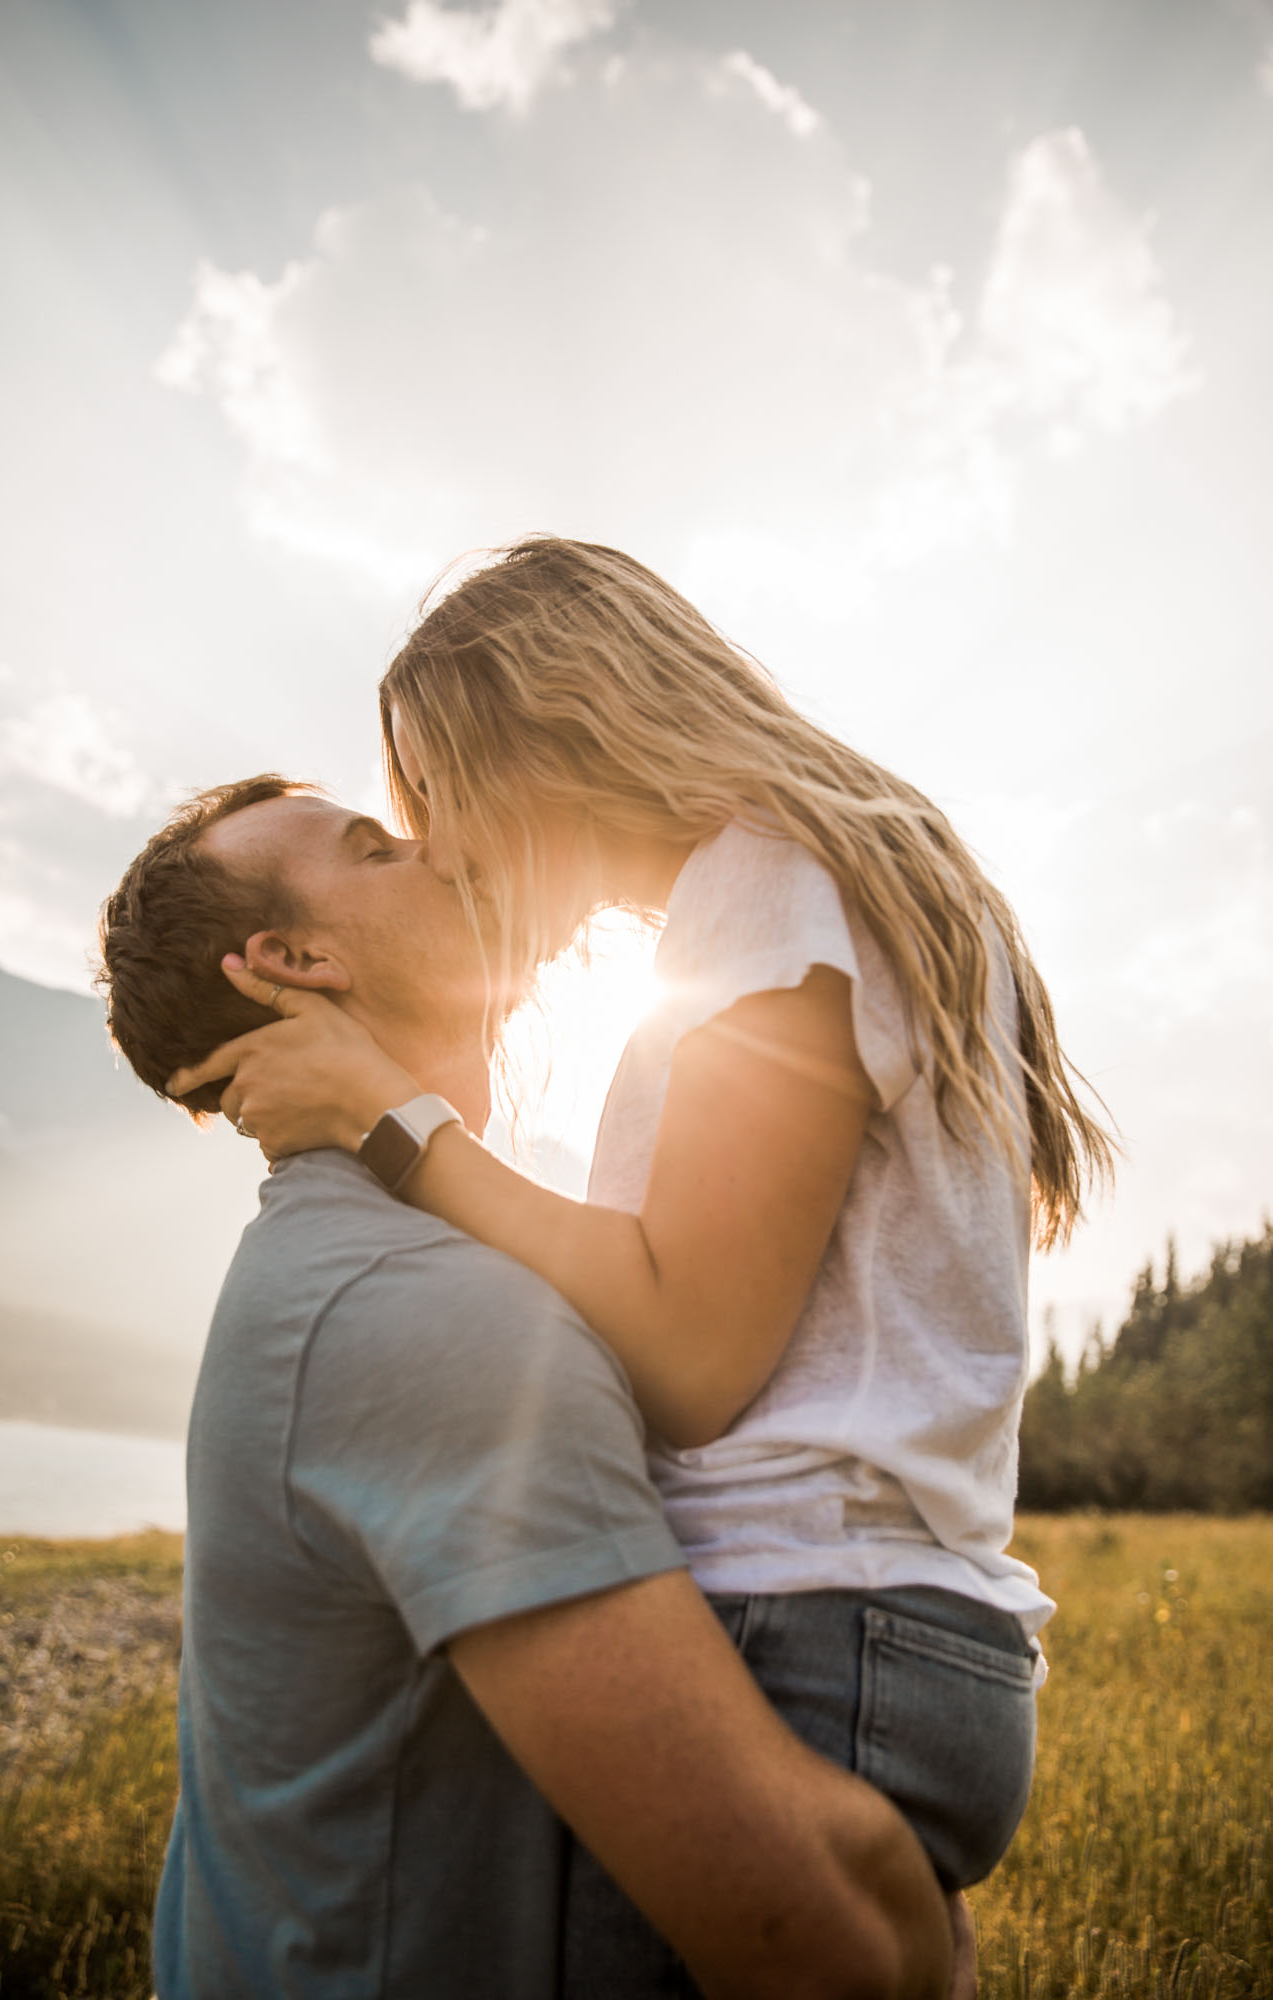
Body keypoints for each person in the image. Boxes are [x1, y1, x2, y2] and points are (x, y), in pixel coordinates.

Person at [171, 539, 1114, 1986]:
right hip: (870, 1625)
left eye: (443, 798)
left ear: (546, 736)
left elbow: (692, 1355)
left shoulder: (770, 887)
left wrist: (397, 1125)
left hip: (801, 1617)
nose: (457, 853)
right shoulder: (820, 874)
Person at [99, 774, 952, 2000]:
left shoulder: (365, 1265)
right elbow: (810, 1942)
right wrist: (916, 1920)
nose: (440, 848)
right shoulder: (422, 1310)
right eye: (376, 847)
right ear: (294, 961)